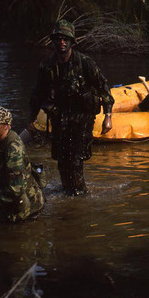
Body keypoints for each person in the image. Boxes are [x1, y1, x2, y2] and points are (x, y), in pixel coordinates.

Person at [29, 19, 114, 196]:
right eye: (59, 38)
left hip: (81, 119)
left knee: (75, 160)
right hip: (59, 119)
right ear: (53, 41)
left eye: (66, 39)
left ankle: (79, 195)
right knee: (61, 160)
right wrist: (31, 119)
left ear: (71, 42)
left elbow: (103, 88)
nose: (62, 42)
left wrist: (108, 116)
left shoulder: (85, 63)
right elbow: (38, 94)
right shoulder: (47, 66)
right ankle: (68, 191)